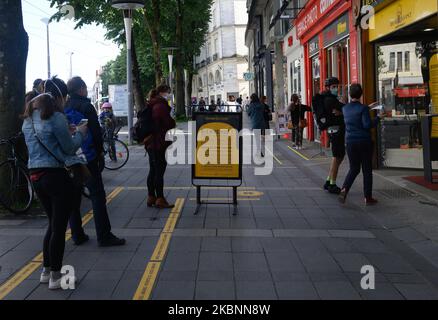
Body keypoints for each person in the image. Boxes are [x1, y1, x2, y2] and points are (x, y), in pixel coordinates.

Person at [22, 77, 88, 289]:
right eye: (65, 97)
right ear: (60, 96)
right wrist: (80, 133)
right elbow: (69, 148)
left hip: (35, 176)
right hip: (56, 176)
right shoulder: (55, 117)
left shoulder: (29, 118)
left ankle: (46, 270)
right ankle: (56, 277)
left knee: (52, 224)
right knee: (59, 228)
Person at [65, 76, 126, 247]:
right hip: (89, 157)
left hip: (71, 158)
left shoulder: (65, 106)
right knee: (97, 196)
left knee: (74, 197)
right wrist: (100, 152)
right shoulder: (86, 106)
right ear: (81, 89)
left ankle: (77, 234)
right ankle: (104, 235)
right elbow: (95, 132)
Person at [339, 84, 380, 206]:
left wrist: (368, 107)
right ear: (361, 94)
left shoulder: (345, 108)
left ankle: (344, 189)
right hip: (364, 142)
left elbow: (354, 113)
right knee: (367, 170)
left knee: (354, 168)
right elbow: (367, 125)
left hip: (350, 142)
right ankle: (368, 197)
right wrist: (378, 118)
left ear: (350, 95)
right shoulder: (362, 109)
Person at [146, 85, 176, 209]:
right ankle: (160, 198)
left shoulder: (151, 104)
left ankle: (151, 196)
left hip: (150, 143)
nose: (169, 94)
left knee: (153, 170)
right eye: (168, 92)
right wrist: (172, 121)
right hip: (159, 143)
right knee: (159, 171)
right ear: (162, 92)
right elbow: (168, 123)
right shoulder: (160, 106)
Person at [321, 77, 346, 195]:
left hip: (333, 131)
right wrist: (342, 110)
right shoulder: (330, 100)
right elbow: (346, 108)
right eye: (334, 87)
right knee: (337, 157)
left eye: (338, 86)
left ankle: (328, 180)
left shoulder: (328, 98)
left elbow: (342, 110)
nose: (336, 88)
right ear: (328, 88)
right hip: (336, 132)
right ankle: (332, 184)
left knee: (337, 157)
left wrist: (341, 111)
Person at [248, 93, 266, 157]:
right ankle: (259, 151)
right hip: (261, 123)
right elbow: (263, 111)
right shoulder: (261, 105)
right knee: (260, 137)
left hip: (255, 123)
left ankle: (259, 151)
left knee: (257, 138)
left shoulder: (251, 105)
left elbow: (248, 113)